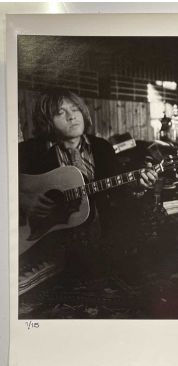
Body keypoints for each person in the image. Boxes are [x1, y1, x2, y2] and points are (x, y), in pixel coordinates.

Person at [19, 88, 158, 276]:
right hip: (48, 241)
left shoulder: (102, 147)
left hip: (99, 238)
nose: (71, 117)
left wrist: (139, 186)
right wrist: (23, 200)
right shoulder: (30, 151)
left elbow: (120, 192)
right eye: (60, 112)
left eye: (75, 109)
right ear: (47, 121)